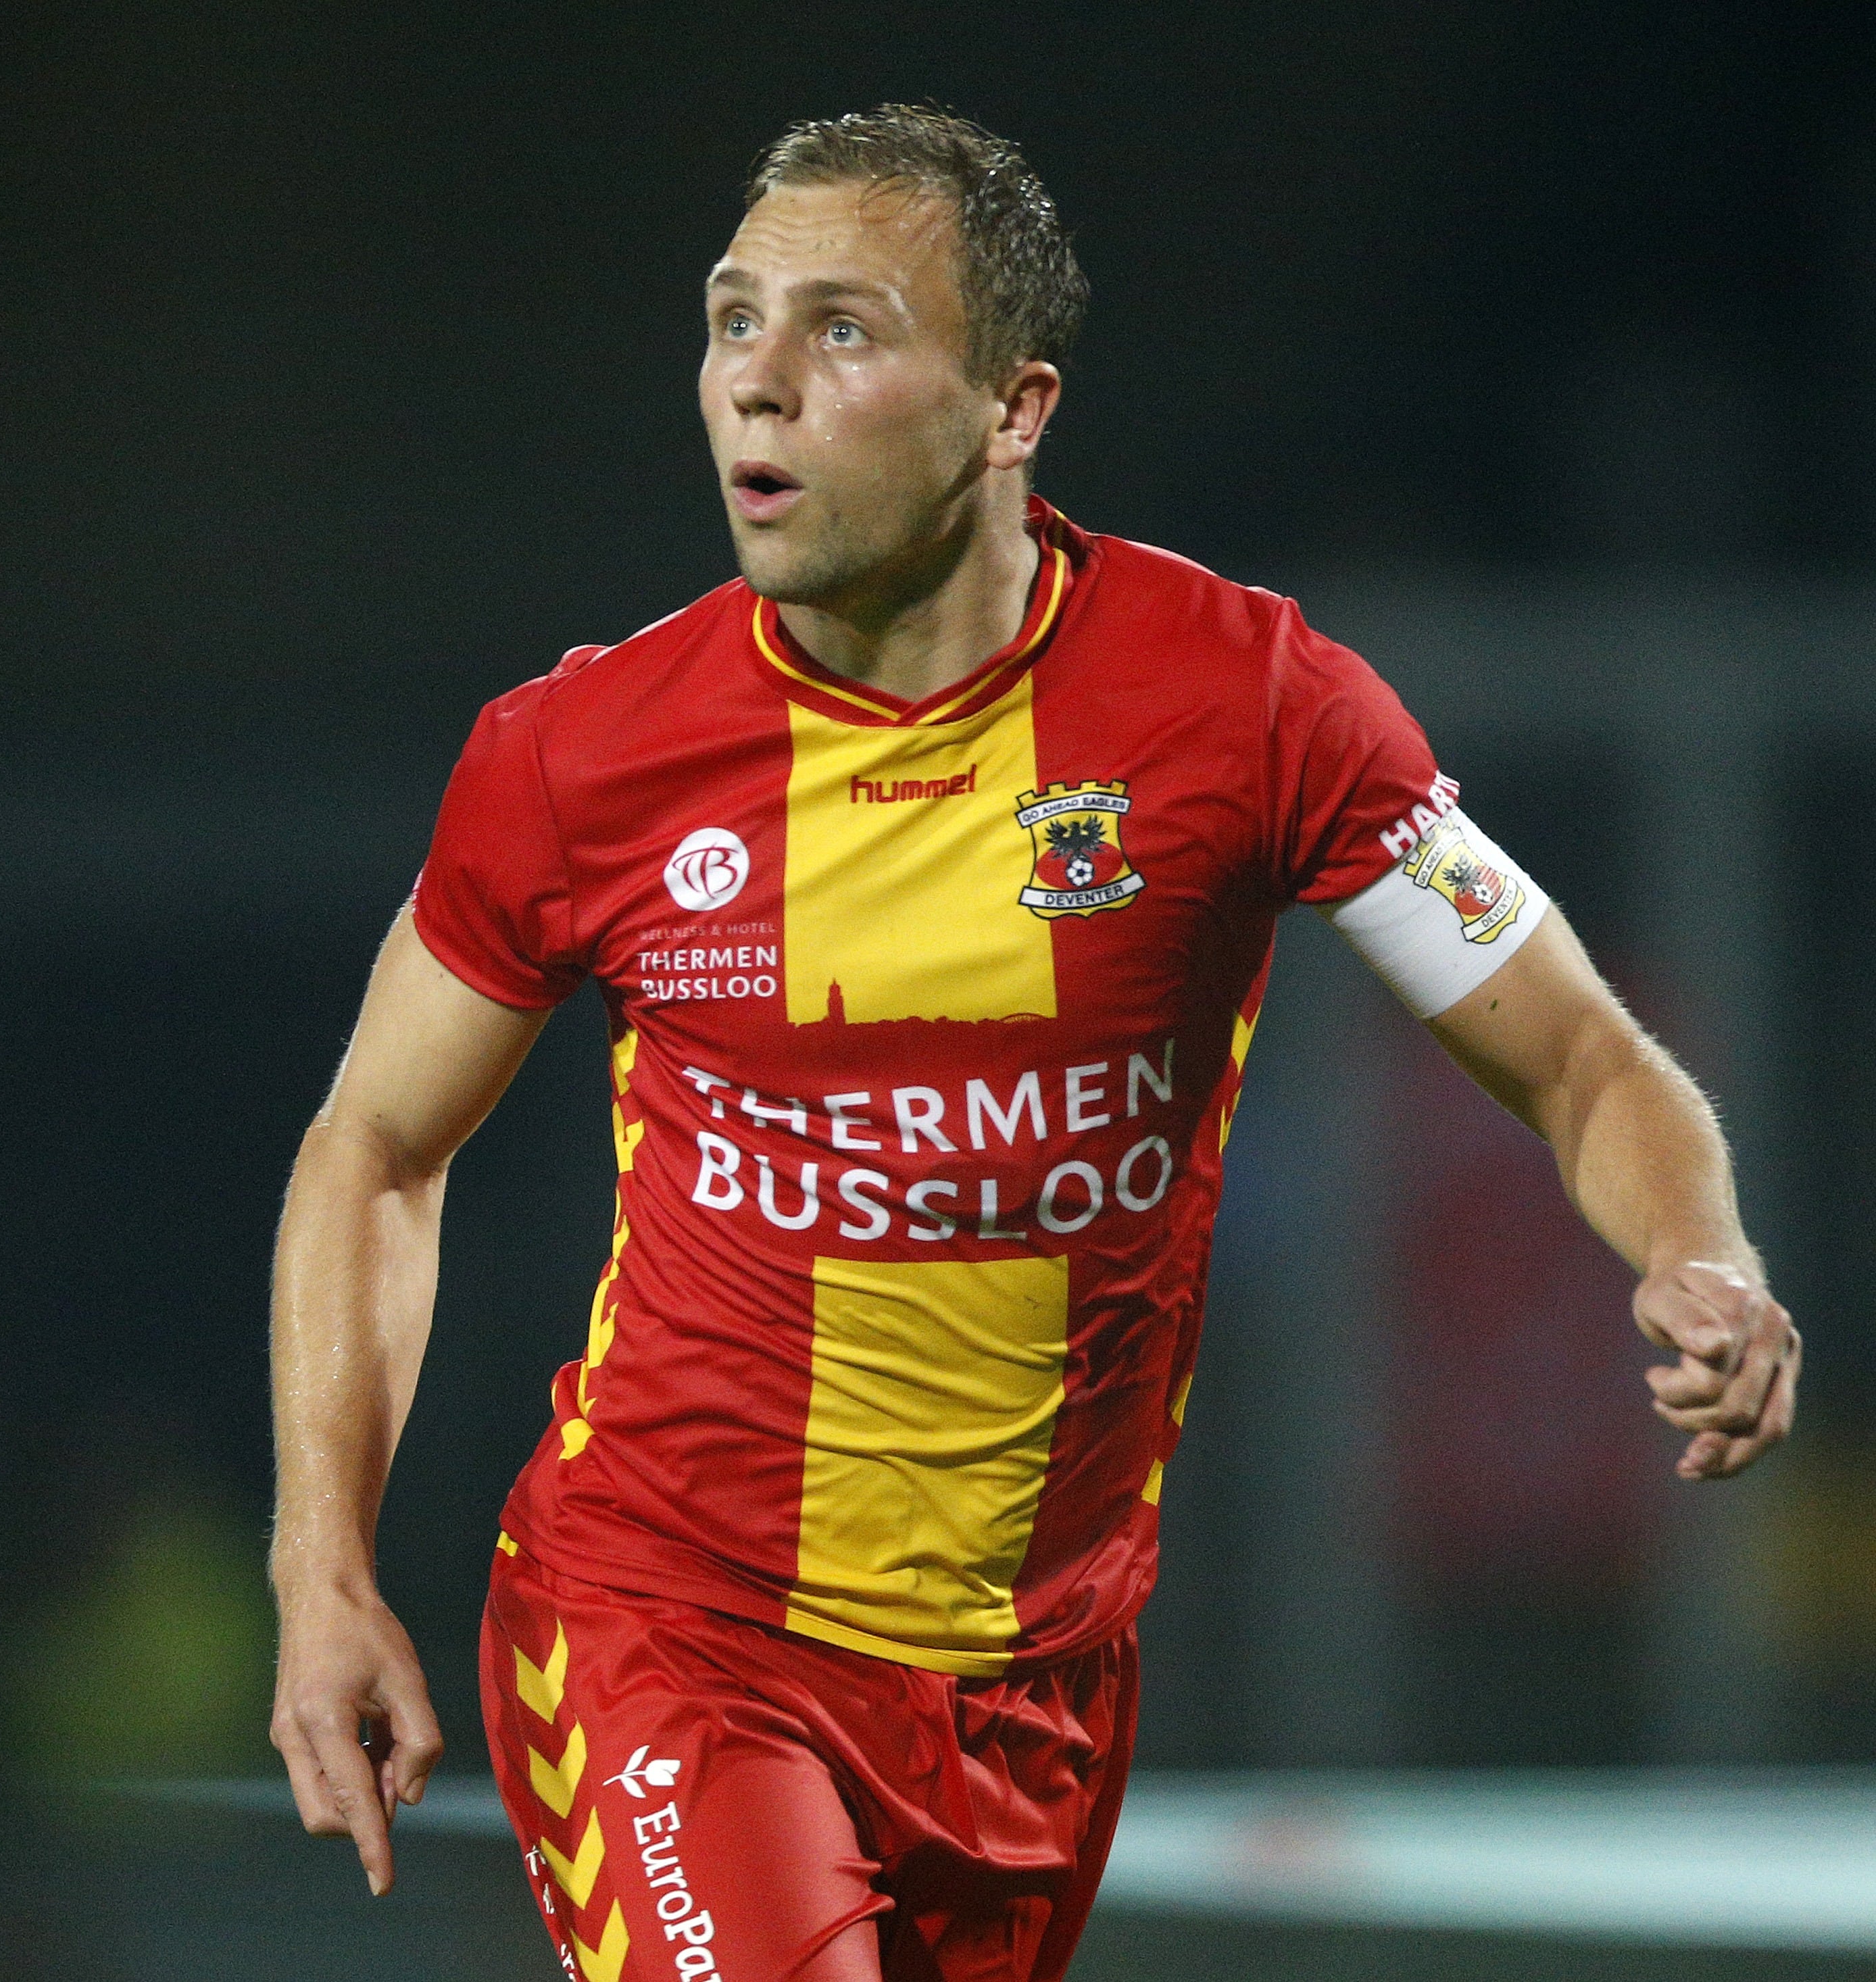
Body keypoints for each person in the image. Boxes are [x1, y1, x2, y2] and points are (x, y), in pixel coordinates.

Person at [264, 104, 1799, 1982]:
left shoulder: (1249, 704)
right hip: (674, 1631)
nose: (756, 381)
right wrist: (322, 1569)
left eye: (841, 329)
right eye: (733, 319)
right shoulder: (581, 757)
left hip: (1038, 1697)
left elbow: (1577, 1049)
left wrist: (1702, 1252)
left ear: (1015, 408)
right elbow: (375, 1148)